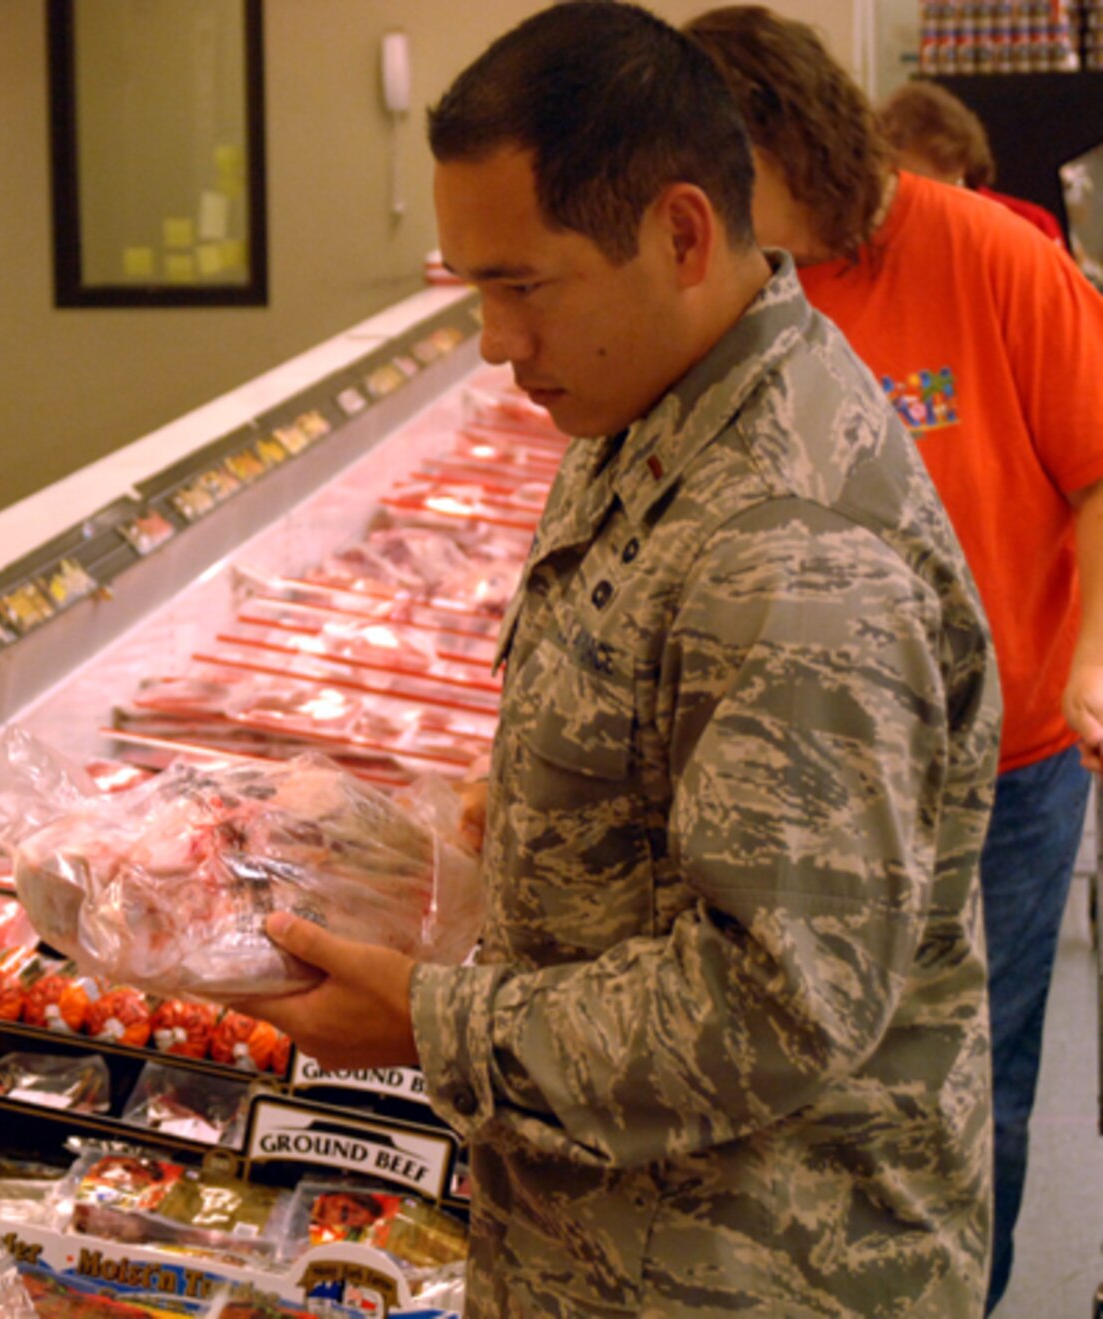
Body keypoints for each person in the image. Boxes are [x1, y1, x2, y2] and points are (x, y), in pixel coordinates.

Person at [239, 4, 1001, 1314]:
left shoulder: (791, 543)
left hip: (757, 1267)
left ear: (684, 232)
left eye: (521, 285)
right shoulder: (646, 408)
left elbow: (775, 1004)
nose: (494, 340)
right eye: (473, 287)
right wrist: (482, 834)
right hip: (608, 1246)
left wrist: (431, 1022)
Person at [684, 12, 1103, 1310]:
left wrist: (1091, 655)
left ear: (802, 142)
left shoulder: (992, 258)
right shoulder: (732, 289)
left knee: (981, 1080)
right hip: (800, 771)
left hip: (1007, 769)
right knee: (806, 1090)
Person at [876, 80, 1064, 244]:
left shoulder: (1032, 226)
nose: (932, 205)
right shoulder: (869, 244)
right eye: (913, 191)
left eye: (950, 191)